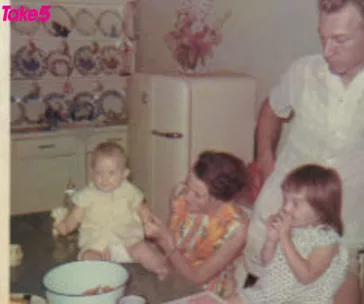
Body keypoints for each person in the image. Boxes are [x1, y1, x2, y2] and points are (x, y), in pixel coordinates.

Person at [245, 0, 364, 302]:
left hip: (341, 223)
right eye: (322, 37)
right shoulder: (303, 72)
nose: (327, 51)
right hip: (280, 212)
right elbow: (271, 110)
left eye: (340, 40)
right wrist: (266, 161)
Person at [227, 164, 349, 304]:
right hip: (269, 295)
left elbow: (306, 276)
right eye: (285, 199)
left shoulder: (326, 239)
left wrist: (285, 238)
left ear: (320, 210)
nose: (286, 207)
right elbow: (267, 263)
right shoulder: (292, 226)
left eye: (295, 204)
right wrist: (271, 240)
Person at [142, 151, 250, 299]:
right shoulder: (179, 194)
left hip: (205, 289)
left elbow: (197, 279)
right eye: (188, 185)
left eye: (197, 195)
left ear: (220, 199)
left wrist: (169, 246)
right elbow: (169, 240)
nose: (187, 196)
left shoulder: (237, 229)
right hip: (170, 272)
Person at [56, 142, 168, 280]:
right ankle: (102, 279)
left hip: (127, 243)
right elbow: (75, 216)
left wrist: (147, 221)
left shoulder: (130, 192)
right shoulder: (86, 195)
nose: (104, 178)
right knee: (88, 257)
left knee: (142, 250)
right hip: (96, 245)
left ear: (124, 174)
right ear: (92, 172)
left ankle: (161, 269)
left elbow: (142, 209)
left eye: (111, 173)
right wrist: (66, 226)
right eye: (99, 172)